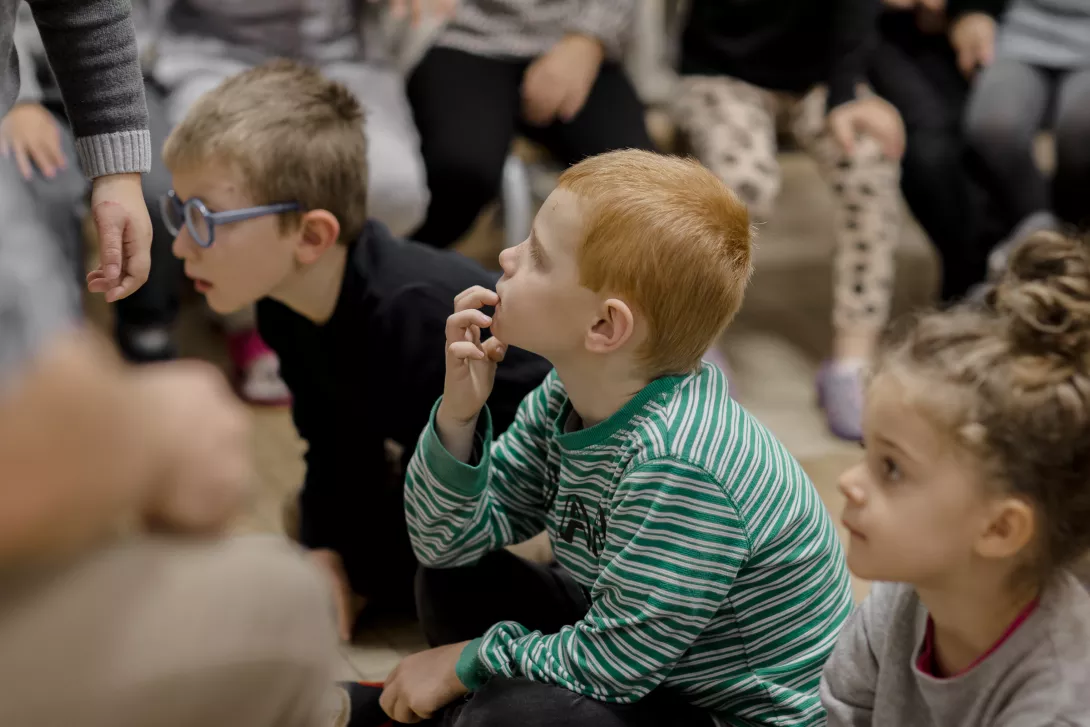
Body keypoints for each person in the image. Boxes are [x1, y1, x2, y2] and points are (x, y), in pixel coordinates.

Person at [368, 150, 854, 726]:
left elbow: (615, 666)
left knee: (516, 713)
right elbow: (444, 544)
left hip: (731, 713)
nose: (506, 256)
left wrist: (471, 661)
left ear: (604, 326)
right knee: (452, 583)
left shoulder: (680, 461)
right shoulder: (564, 394)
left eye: (537, 256)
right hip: (655, 667)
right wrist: (458, 415)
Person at [162, 60, 553, 639]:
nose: (179, 245)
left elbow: (505, 465)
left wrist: (353, 567)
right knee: (316, 524)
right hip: (440, 471)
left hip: (547, 482)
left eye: (203, 219)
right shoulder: (284, 306)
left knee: (427, 580)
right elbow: (334, 441)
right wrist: (326, 553)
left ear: (311, 236)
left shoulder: (412, 310)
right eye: (179, 212)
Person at [821, 231, 1090, 725]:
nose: (849, 483)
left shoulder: (1060, 703)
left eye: (892, 468)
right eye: (866, 451)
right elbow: (843, 710)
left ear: (1000, 528)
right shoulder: (905, 595)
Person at [146, 0, 438, 403]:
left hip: (341, 57)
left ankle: (330, 309)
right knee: (233, 198)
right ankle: (250, 320)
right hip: (218, 53)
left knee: (396, 191)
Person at [672, 0, 906, 442]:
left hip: (821, 77)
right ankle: (695, 342)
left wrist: (845, 92)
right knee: (744, 184)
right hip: (723, 71)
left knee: (869, 163)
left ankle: (852, 361)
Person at [1, 1, 180, 362]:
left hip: (122, 83)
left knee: (158, 191)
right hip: (28, 103)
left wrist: (119, 171)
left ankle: (143, 326)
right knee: (51, 191)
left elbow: (86, 8)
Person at [407, 0, 657, 247]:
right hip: (464, 37)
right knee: (459, 172)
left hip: (580, 39)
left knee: (644, 192)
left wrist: (589, 38)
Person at [868, 0, 1007, 303]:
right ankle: (967, 279)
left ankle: (984, 273)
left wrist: (968, 10)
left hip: (959, 26)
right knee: (931, 148)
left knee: (980, 136)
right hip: (874, 32)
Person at [964, 0, 1090, 275]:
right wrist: (971, 12)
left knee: (1081, 135)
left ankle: (1069, 248)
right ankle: (1040, 234)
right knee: (993, 128)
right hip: (1019, 34)